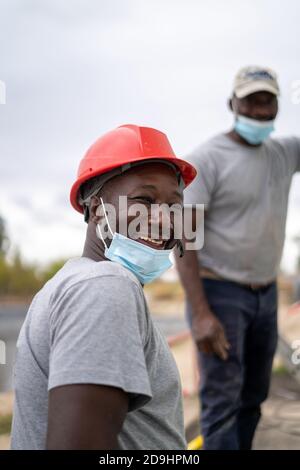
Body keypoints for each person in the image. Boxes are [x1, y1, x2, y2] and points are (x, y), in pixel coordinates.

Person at [11, 124, 197, 450]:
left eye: (174, 205)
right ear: (97, 210)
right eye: (144, 200)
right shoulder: (106, 288)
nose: (164, 219)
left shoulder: (74, 283)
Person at [175, 66, 300, 450]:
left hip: (264, 295)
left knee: (253, 397)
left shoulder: (283, 151)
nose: (261, 110)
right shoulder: (207, 160)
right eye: (251, 100)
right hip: (219, 293)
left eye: (268, 101)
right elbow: (184, 237)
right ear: (233, 103)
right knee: (222, 402)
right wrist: (200, 312)